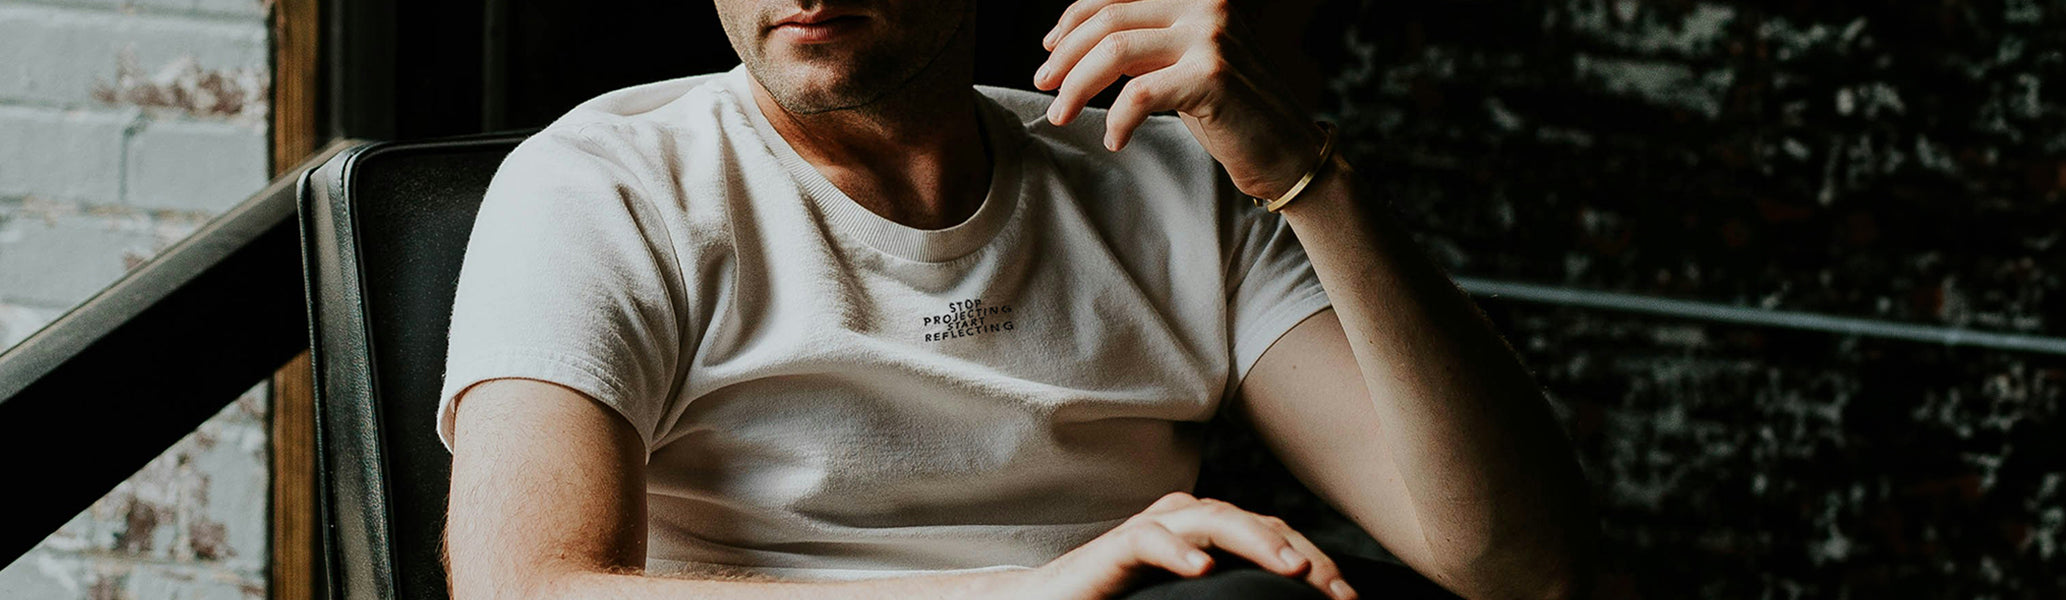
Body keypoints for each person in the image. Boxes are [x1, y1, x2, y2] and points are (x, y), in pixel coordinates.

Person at [438, 0, 1597, 598]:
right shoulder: (603, 186)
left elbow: (1521, 568)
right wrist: (1028, 591)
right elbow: (522, 589)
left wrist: (1305, 175)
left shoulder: (1165, 175)